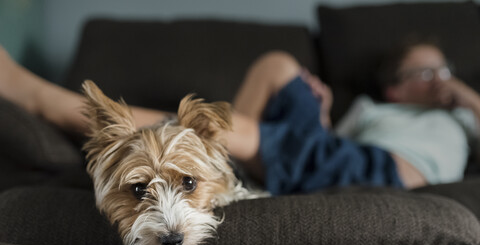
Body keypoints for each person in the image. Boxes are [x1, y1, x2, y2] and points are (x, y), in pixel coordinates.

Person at [1, 40, 479, 195]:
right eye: (425, 72)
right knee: (278, 64)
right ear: (394, 87)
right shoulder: (372, 109)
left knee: (246, 134)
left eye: (444, 70)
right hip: (345, 153)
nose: (439, 79)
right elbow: (321, 154)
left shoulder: (462, 117)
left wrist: (466, 96)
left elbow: (327, 161)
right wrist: (325, 112)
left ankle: (44, 99)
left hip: (390, 171)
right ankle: (218, 161)